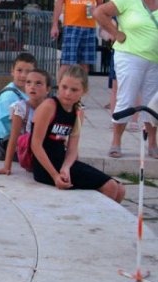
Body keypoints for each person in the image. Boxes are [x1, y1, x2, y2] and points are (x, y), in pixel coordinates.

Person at [29, 65, 125, 203]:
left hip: (62, 162)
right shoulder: (49, 106)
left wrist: (66, 168)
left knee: (120, 189)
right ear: (58, 85)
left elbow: (73, 148)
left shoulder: (78, 112)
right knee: (110, 187)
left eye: (74, 90)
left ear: (84, 91)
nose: (68, 93)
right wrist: (55, 175)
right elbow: (36, 145)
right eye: (64, 87)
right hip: (44, 166)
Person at [93, 0, 158, 159]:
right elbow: (99, 12)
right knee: (126, 97)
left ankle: (153, 144)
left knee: (153, 102)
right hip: (130, 55)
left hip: (154, 60)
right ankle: (116, 142)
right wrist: (115, 33)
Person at [50, 0, 103, 77]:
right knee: (67, 62)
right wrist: (54, 25)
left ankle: (80, 91)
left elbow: (101, 6)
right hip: (71, 25)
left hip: (90, 26)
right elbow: (59, 3)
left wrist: (98, 15)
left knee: (85, 63)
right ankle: (59, 90)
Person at [0, 68, 51, 176]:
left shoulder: (51, 108)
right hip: (28, 152)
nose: (32, 87)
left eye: (38, 83)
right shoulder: (20, 108)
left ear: (48, 89)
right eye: (28, 83)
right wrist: (6, 167)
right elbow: (13, 138)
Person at [0, 52, 37, 144]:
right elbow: (11, 127)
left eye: (28, 72)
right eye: (19, 70)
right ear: (12, 71)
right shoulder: (8, 96)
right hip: (8, 141)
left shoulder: (27, 92)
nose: (23, 75)